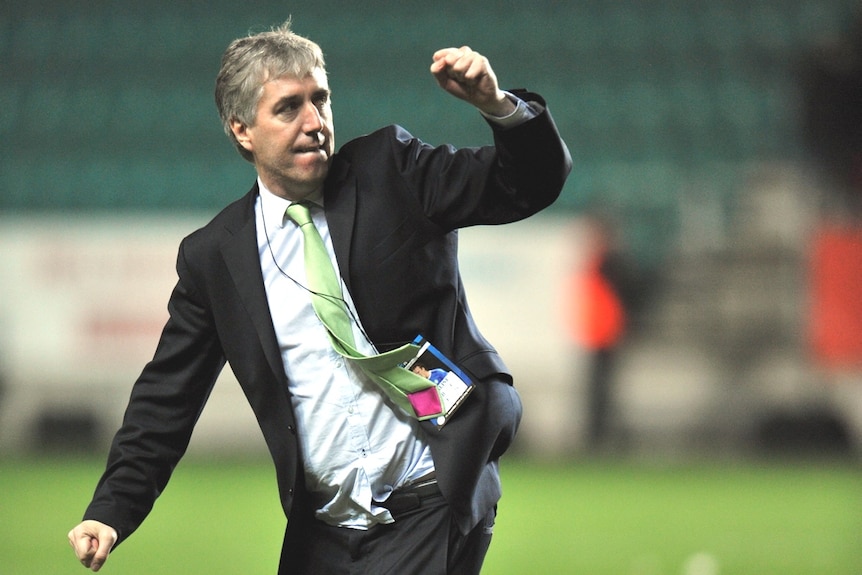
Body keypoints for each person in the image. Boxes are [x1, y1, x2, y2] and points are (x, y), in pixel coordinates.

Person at [68, 20, 571, 574]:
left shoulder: (392, 171)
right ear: (242, 130)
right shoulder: (216, 256)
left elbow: (528, 184)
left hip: (430, 500)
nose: (314, 122)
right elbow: (167, 398)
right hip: (323, 533)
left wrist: (498, 107)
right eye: (288, 108)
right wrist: (111, 510)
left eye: (321, 100)